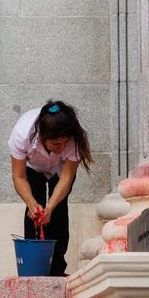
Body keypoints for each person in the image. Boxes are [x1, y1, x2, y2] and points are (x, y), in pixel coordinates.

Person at [8, 100, 93, 276]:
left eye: (65, 143)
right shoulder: (22, 133)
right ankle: (33, 268)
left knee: (58, 210)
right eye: (55, 144)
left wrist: (50, 207)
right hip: (32, 168)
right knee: (35, 209)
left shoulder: (76, 135)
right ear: (41, 137)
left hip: (60, 169)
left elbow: (67, 177)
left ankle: (56, 268)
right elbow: (19, 176)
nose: (61, 148)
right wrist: (32, 204)